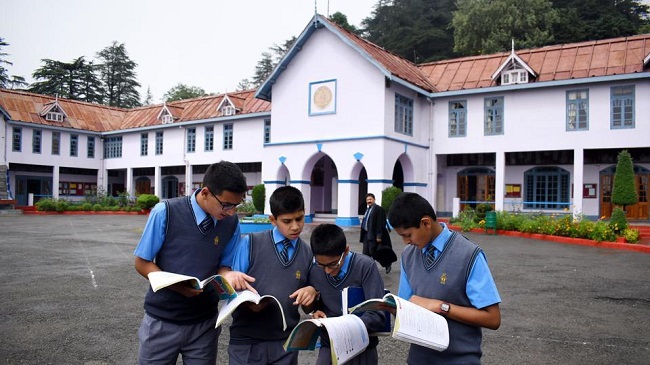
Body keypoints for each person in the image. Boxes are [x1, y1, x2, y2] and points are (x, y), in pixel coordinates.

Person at [134, 160, 256, 365]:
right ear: (206, 192)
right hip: (162, 321)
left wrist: (229, 276)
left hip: (204, 324)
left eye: (236, 205)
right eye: (226, 205)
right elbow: (142, 262)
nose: (231, 212)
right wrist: (175, 286)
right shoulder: (165, 212)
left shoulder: (231, 223)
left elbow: (224, 266)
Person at [387, 192, 501, 364]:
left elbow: (492, 318)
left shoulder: (469, 254)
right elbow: (408, 304)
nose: (406, 242)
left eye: (408, 235)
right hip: (419, 359)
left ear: (425, 223)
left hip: (459, 359)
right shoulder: (408, 256)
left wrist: (441, 307)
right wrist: (392, 308)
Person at [228, 185, 319, 365]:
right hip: (247, 342)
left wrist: (311, 292)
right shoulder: (250, 244)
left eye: (299, 219)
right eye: (287, 221)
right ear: (272, 220)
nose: (295, 226)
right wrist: (246, 303)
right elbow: (231, 291)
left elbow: (310, 307)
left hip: (286, 345)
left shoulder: (307, 253)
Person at [307, 223, 387, 365]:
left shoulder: (365, 266)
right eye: (322, 265)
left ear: (346, 250)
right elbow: (318, 305)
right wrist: (316, 311)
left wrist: (343, 326)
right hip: (329, 346)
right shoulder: (314, 269)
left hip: (362, 348)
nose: (327, 271)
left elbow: (377, 315)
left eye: (333, 264)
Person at [360, 193, 396, 273]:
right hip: (366, 235)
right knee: (365, 253)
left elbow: (381, 223)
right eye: (367, 200)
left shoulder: (379, 209)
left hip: (374, 235)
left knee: (375, 252)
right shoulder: (367, 209)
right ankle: (367, 269)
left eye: (370, 199)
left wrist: (379, 236)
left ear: (374, 199)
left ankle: (387, 264)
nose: (369, 201)